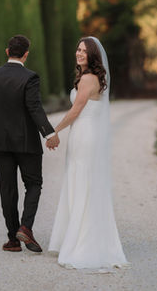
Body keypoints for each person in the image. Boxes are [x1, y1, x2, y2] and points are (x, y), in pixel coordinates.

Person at [47, 36, 129, 272]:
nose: (79, 53)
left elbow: (76, 110)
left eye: (84, 51)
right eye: (78, 49)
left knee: (83, 183)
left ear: (93, 55)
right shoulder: (89, 78)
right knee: (82, 182)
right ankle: (77, 235)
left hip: (85, 136)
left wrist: (54, 131)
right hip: (83, 134)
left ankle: (83, 243)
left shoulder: (89, 79)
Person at [0, 34, 59, 254]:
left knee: (7, 189)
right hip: (26, 143)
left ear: (7, 52)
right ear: (26, 54)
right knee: (33, 184)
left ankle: (13, 240)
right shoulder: (30, 77)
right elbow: (34, 108)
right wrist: (49, 133)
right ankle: (25, 227)